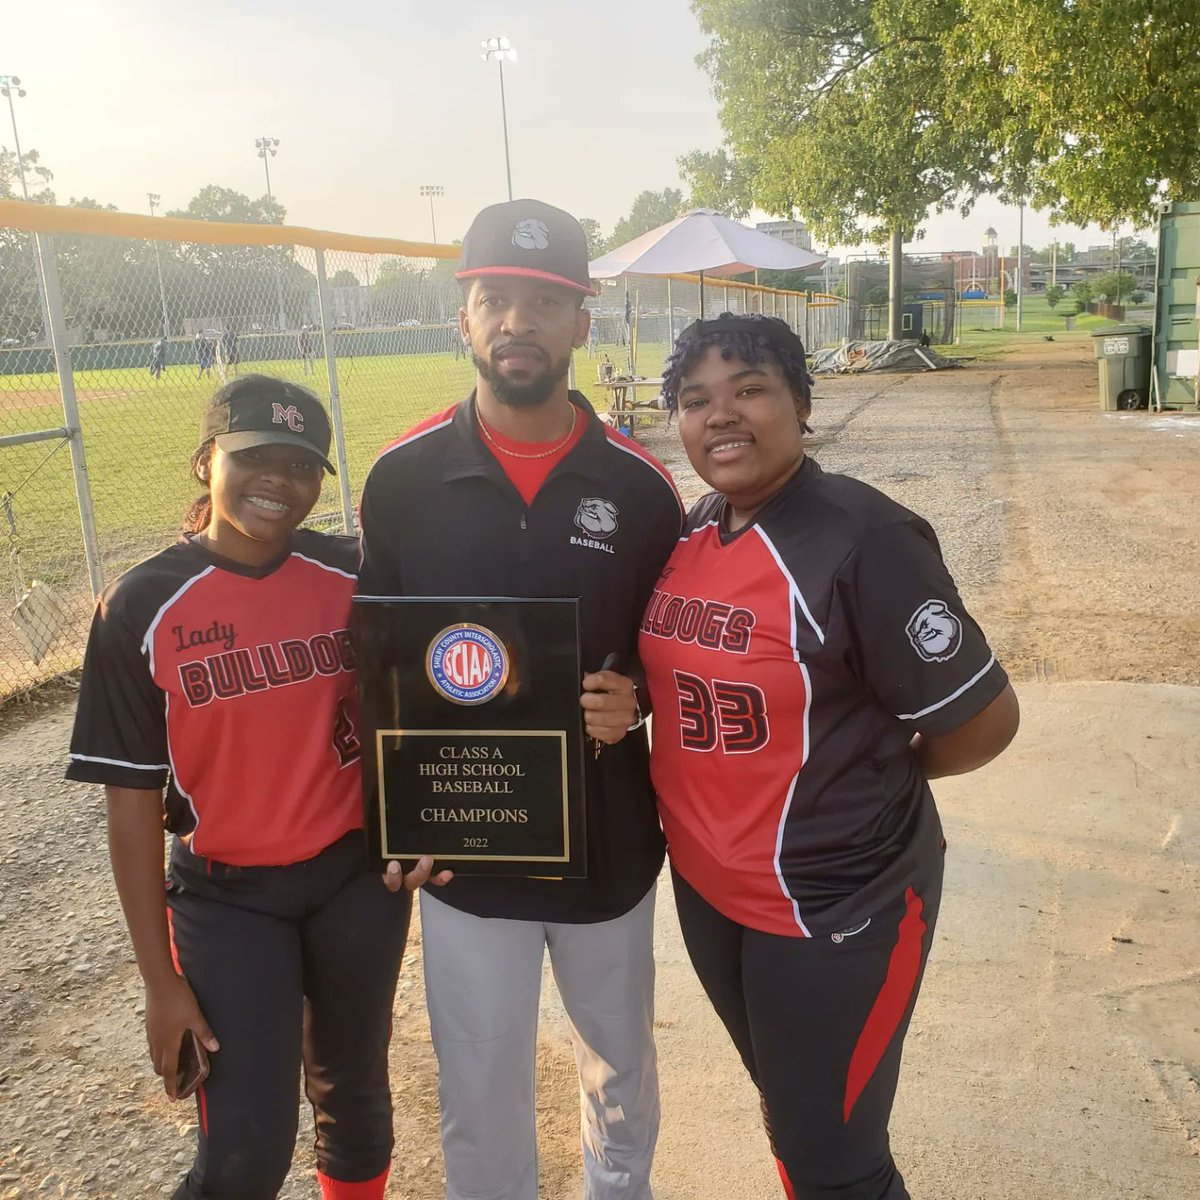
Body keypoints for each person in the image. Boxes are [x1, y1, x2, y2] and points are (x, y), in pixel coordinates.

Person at [639, 314, 1020, 1200]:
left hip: (836, 902)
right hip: (712, 895)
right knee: (793, 1116)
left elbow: (984, 721)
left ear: (802, 406)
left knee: (838, 1163)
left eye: (750, 389)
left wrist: (883, 774)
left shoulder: (862, 538)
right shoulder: (697, 530)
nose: (721, 415)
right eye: (696, 400)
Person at [359, 198, 683, 1200]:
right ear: (464, 316)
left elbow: (675, 671)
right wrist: (396, 816)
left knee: (620, 1073)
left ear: (582, 321)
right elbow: (381, 672)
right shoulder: (401, 478)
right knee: (479, 1084)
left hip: (609, 844)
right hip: (467, 848)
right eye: (496, 298)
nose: (518, 323)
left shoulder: (639, 489)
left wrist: (636, 707)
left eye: (545, 302)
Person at [65, 375, 421, 1200]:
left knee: (355, 1096)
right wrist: (160, 981)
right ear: (205, 462)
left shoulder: (352, 574)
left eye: (301, 466)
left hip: (353, 878)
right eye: (255, 456)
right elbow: (130, 805)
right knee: (248, 1150)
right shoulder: (143, 604)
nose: (279, 482)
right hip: (227, 899)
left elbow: (420, 704)